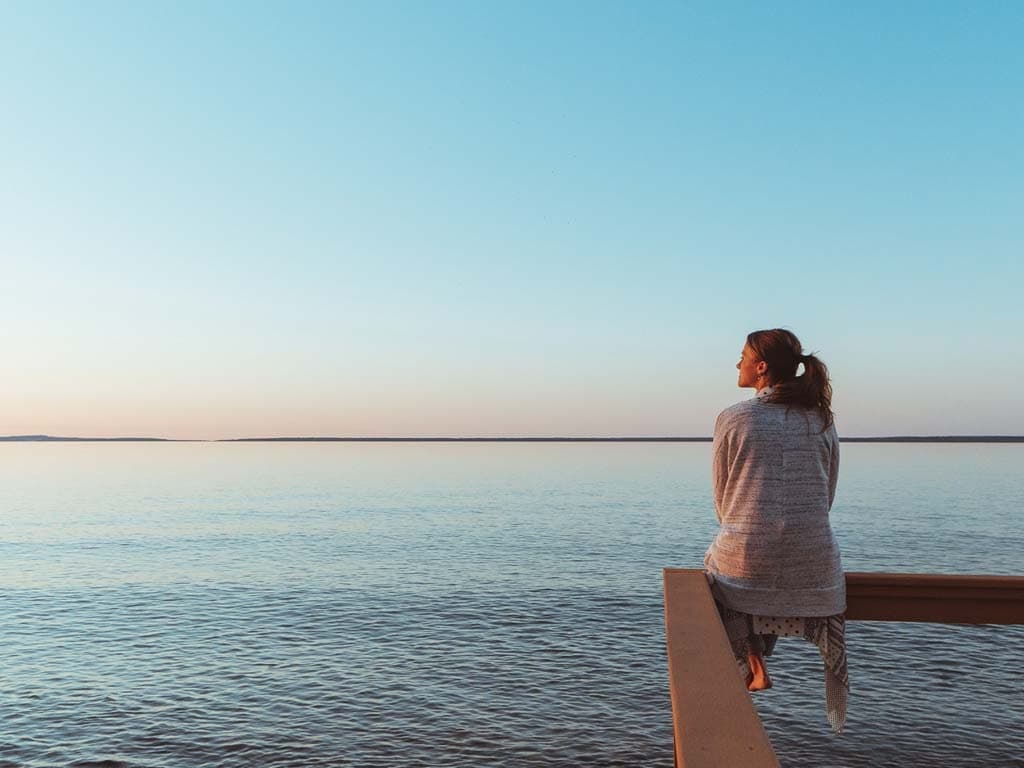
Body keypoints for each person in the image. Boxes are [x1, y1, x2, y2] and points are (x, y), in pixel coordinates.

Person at [703, 328, 849, 733]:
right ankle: (757, 660)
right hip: (816, 564)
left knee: (720, 570)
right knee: (760, 569)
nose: (737, 363)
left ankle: (752, 661)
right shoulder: (821, 419)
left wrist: (746, 525)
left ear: (761, 368)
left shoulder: (734, 417)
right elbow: (828, 492)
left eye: (743, 357)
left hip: (747, 559)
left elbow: (722, 499)